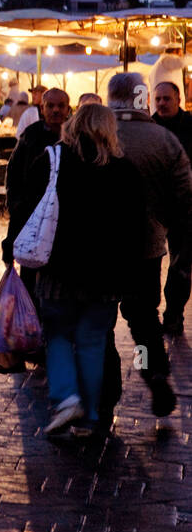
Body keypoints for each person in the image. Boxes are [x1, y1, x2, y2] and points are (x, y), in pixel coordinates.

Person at [15, 105, 145, 435]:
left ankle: (66, 397)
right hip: (106, 275)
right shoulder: (124, 169)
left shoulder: (52, 160)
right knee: (92, 342)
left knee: (57, 335)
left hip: (60, 269)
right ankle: (89, 417)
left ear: (73, 125)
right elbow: (135, 229)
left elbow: (25, 206)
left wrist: (11, 247)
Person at [100, 73, 191, 420]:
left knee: (102, 321)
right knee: (143, 319)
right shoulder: (164, 139)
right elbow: (186, 197)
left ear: (111, 98)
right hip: (148, 248)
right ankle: (152, 372)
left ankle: (106, 395)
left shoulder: (97, 136)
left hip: (101, 250)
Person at [2, 88, 70, 303]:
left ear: (69, 109)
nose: (56, 110)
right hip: (31, 218)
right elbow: (14, 176)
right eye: (51, 105)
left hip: (63, 222)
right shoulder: (31, 136)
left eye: (61, 106)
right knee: (29, 280)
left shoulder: (74, 137)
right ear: (42, 108)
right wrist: (17, 208)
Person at [153, 81, 192, 334]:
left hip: (185, 206)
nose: (162, 104)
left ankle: (174, 315)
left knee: (181, 264)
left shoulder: (190, 126)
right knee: (150, 263)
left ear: (178, 99)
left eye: (167, 99)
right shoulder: (149, 126)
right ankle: (149, 312)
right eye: (158, 99)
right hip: (153, 208)